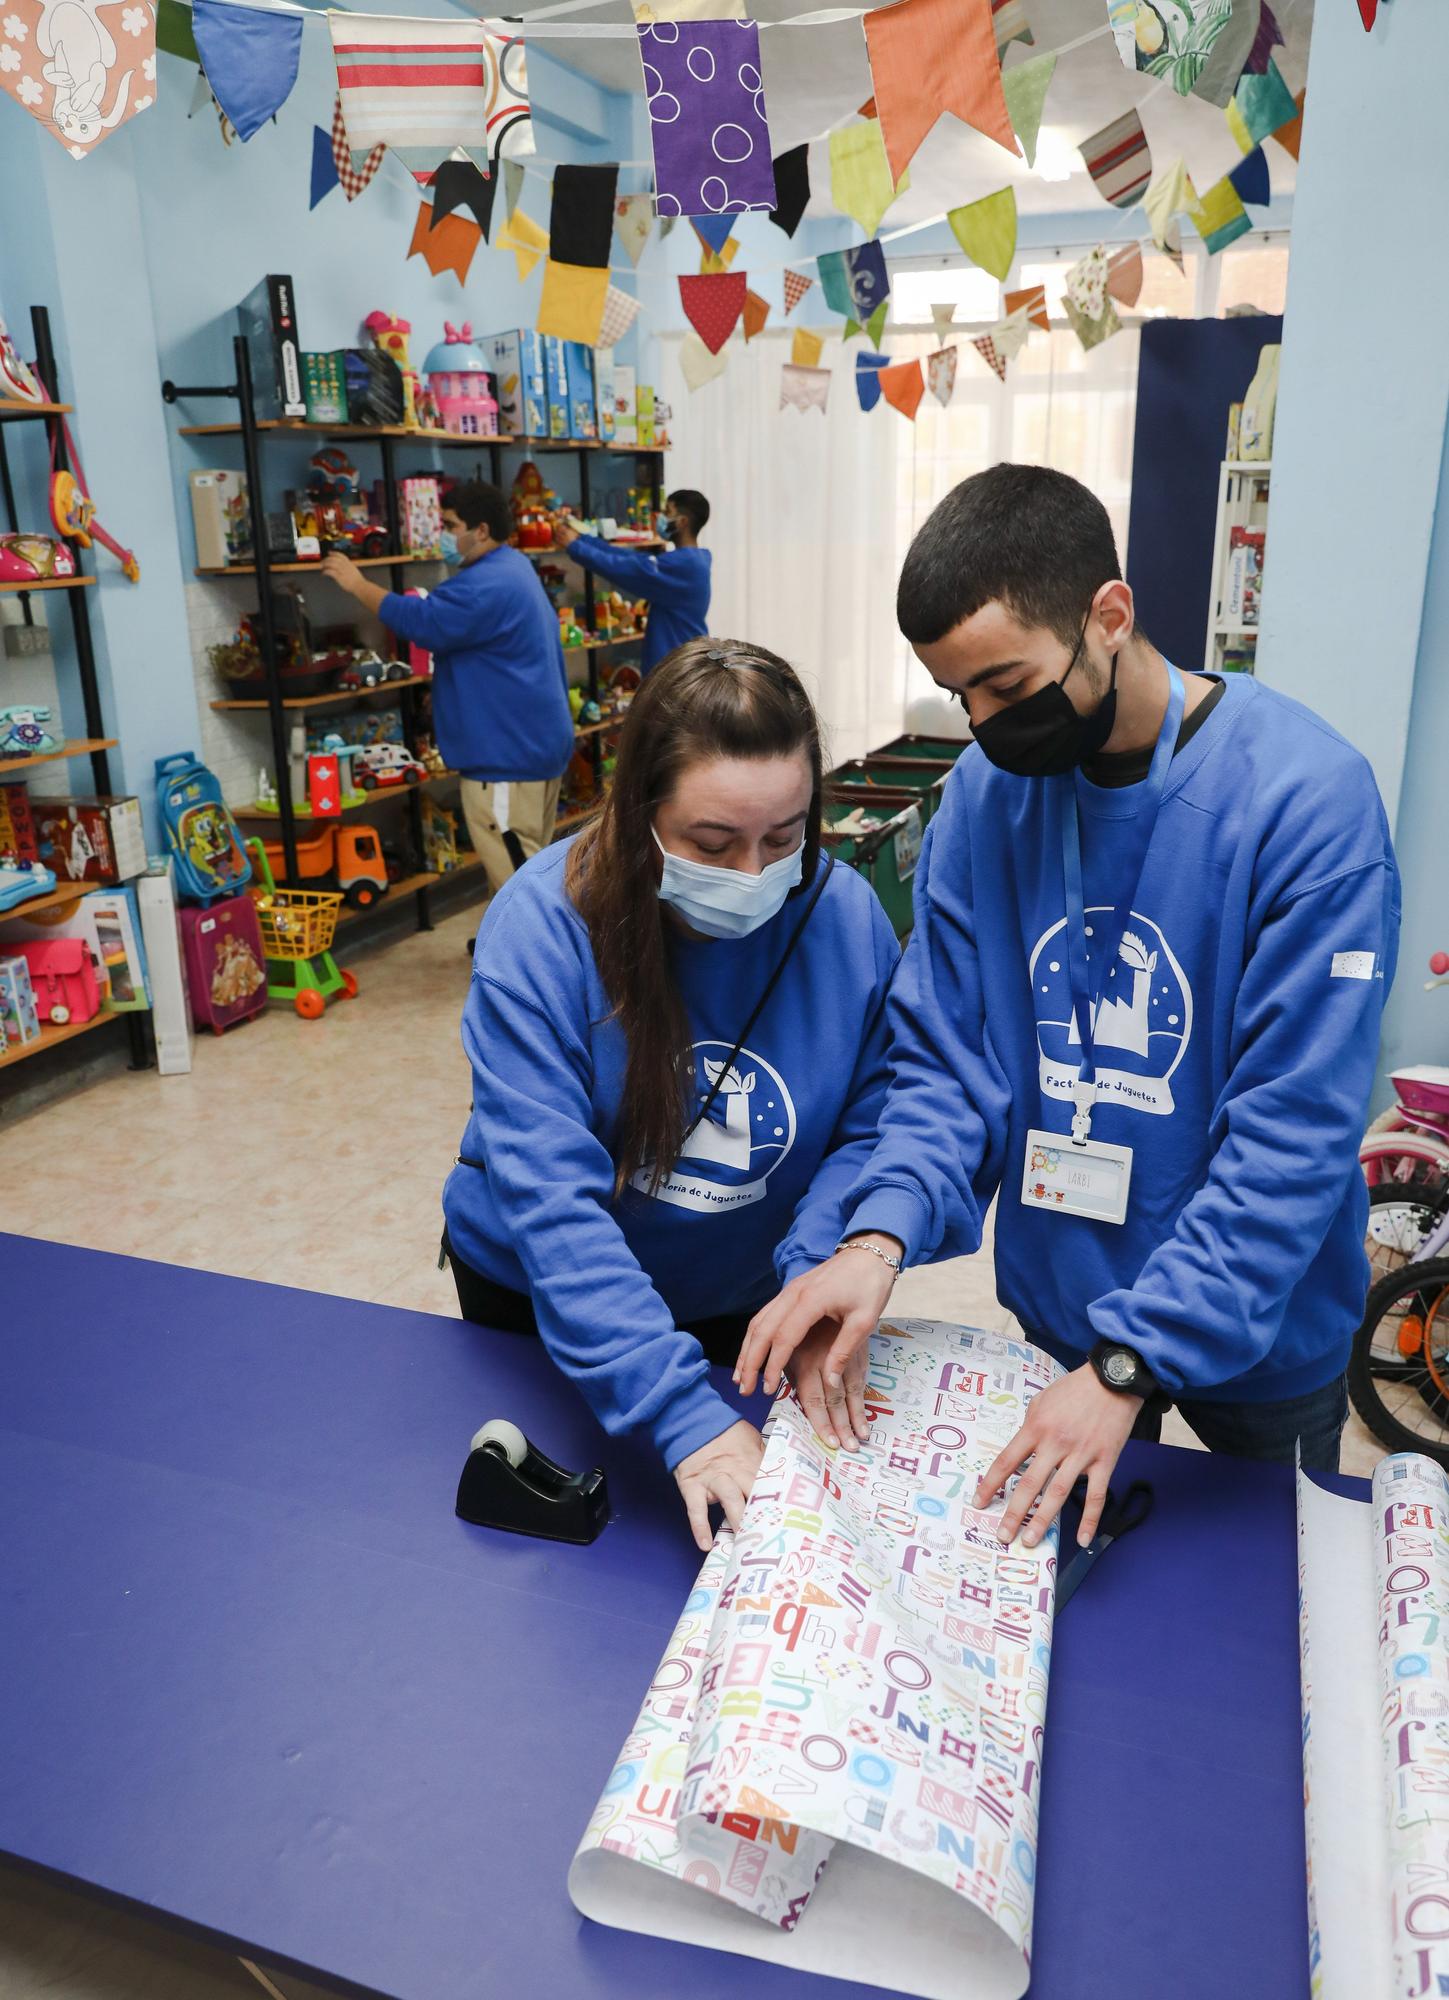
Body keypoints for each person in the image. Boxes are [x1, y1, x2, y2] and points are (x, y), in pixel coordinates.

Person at [738, 463, 1400, 1553]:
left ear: (1109, 616)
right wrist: (875, 1236)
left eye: (1005, 684)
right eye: (961, 697)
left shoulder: (1306, 802)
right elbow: (947, 1066)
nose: (987, 723)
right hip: (1065, 1297)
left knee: (1258, 1613)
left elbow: (1291, 1133)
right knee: (1059, 1595)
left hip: (1259, 1325)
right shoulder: (984, 800)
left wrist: (1135, 1362)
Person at [440, 639, 899, 1550]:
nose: (753, 875)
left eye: (784, 836)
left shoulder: (844, 916)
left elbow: (871, 1119)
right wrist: (680, 1415)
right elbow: (550, 1205)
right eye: (711, 844)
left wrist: (813, 1270)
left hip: (742, 1293)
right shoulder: (541, 927)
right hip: (544, 1301)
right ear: (639, 812)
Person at [322, 480, 573, 896]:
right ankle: (511, 956)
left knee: (526, 892)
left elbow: (422, 622)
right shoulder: (513, 567)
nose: (443, 534)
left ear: (481, 531)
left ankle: (553, 961)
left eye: (451, 524)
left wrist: (356, 583)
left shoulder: (485, 584)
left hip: (506, 761)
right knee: (524, 872)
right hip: (534, 748)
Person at [554, 488, 712, 676]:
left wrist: (576, 546)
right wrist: (583, 539)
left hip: (677, 669)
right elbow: (630, 560)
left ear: (683, 522)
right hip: (680, 663)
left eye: (667, 512)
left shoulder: (683, 565)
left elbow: (625, 568)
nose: (659, 518)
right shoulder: (690, 561)